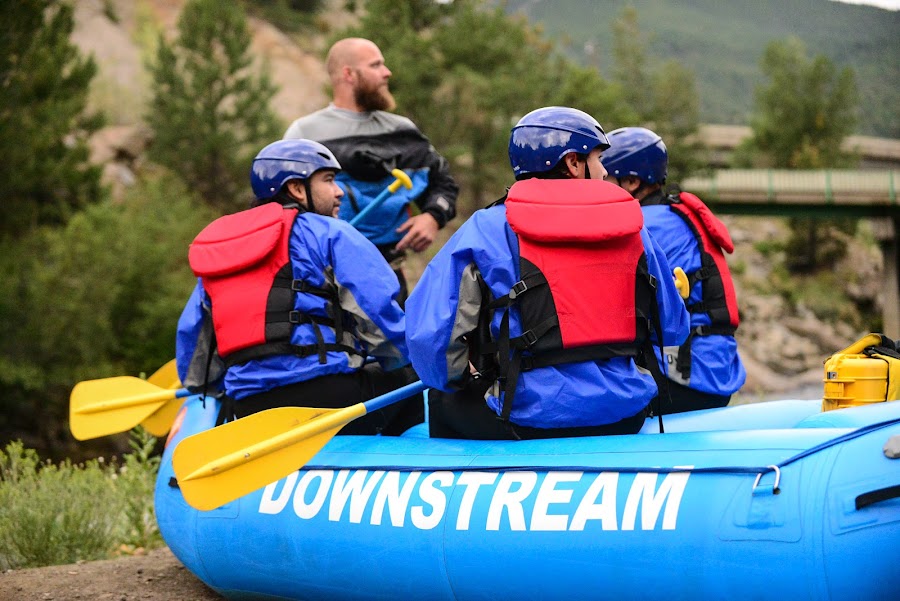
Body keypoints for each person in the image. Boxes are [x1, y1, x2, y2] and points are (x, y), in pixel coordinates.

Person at [405, 107, 689, 440]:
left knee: (441, 397)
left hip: (524, 418)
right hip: (624, 414)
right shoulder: (634, 228)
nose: (604, 172)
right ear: (573, 162)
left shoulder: (487, 227)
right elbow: (674, 329)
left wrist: (458, 377)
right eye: (599, 159)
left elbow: (430, 338)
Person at [175, 139, 423, 435]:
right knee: (411, 381)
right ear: (296, 188)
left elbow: (194, 359)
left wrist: (227, 386)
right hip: (330, 400)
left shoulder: (222, 250)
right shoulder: (331, 233)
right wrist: (405, 361)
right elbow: (382, 321)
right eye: (328, 180)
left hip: (249, 409)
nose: (339, 191)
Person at [283, 38, 459, 304]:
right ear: (349, 74)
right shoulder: (304, 134)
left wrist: (433, 216)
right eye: (376, 65)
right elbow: (281, 204)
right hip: (324, 280)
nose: (387, 72)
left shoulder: (402, 131)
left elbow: (443, 182)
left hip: (389, 277)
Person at [602, 126, 746, 413]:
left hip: (689, 376)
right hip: (717, 369)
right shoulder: (672, 214)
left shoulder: (642, 224)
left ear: (631, 181)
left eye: (607, 180)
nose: (600, 187)